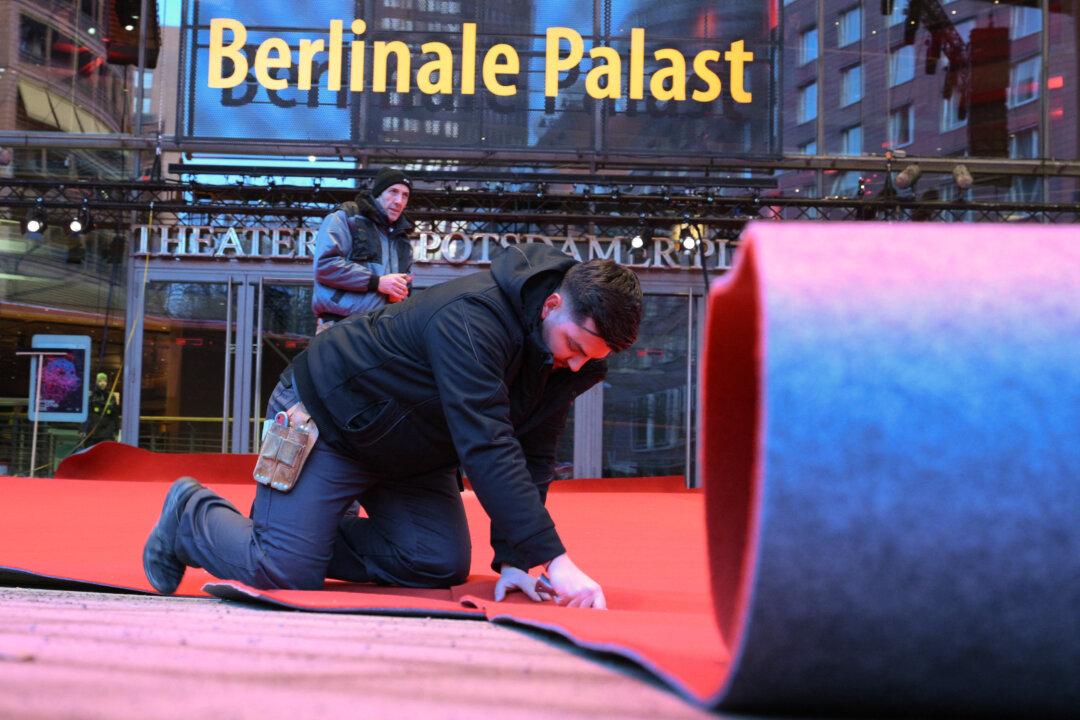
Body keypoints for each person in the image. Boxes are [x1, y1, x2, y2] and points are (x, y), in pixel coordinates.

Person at [143, 243, 642, 609]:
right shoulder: (472, 319)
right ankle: (192, 514)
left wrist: (516, 558)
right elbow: (488, 444)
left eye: (592, 359)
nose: (577, 366)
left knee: (435, 563)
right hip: (330, 416)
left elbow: (532, 451)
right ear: (552, 305)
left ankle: (300, 526)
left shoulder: (567, 359)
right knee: (283, 573)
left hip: (412, 449)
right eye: (575, 347)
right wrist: (554, 559)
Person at [311, 167, 416, 334]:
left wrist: (399, 294)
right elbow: (325, 265)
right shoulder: (346, 216)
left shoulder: (402, 237)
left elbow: (401, 286)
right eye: (393, 192)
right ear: (378, 193)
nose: (399, 201)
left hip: (382, 329)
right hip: (340, 324)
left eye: (405, 195)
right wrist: (377, 282)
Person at [81, 372, 120, 445]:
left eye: (105, 381)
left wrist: (117, 430)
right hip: (92, 433)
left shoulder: (111, 397)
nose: (103, 383)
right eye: (100, 381)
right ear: (96, 382)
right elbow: (86, 415)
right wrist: (82, 429)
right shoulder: (91, 397)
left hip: (107, 434)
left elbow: (115, 415)